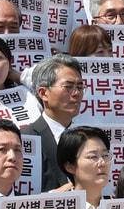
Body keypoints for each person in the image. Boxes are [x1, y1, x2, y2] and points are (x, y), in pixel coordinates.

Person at [25, 54, 82, 190]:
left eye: (80, 87)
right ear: (44, 93)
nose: (76, 93)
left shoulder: (88, 138)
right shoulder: (26, 139)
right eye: (68, 87)